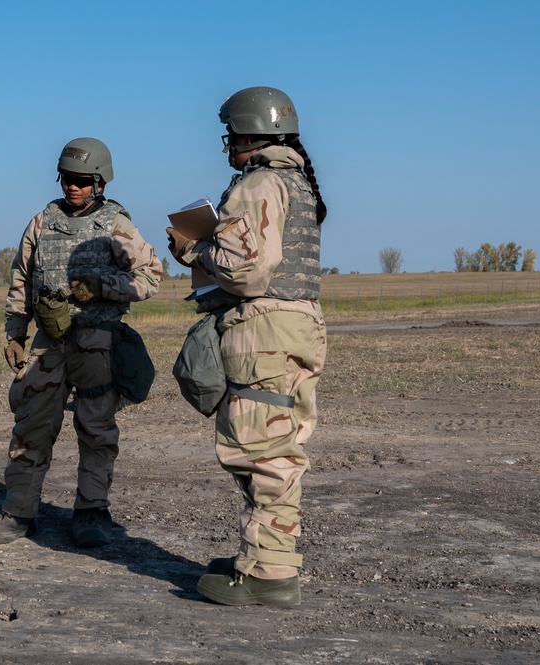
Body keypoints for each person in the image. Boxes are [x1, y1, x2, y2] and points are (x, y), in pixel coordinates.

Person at [167, 87, 327, 607]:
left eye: (231, 137)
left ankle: (270, 575)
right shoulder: (297, 182)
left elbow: (244, 268)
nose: (228, 146)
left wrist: (194, 245)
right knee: (275, 446)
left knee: (262, 451)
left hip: (263, 334)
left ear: (252, 133)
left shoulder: (259, 183)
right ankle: (260, 555)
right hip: (295, 327)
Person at [0, 138, 163, 548]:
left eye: (81, 181)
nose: (72, 187)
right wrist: (14, 332)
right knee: (31, 427)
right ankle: (18, 513)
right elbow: (21, 279)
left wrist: (103, 286)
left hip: (98, 342)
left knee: (96, 430)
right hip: (48, 343)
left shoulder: (116, 224)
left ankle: (91, 513)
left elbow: (151, 277)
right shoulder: (43, 221)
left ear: (99, 183)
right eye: (66, 179)